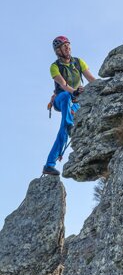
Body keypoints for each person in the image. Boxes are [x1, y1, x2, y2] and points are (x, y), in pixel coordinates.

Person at [43, 36, 96, 176]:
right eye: (63, 46)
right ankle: (68, 123)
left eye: (68, 45)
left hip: (75, 101)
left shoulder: (78, 62)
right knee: (66, 97)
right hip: (61, 99)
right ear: (58, 51)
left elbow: (91, 79)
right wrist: (75, 92)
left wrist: (102, 87)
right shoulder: (54, 67)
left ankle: (49, 165)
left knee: (64, 131)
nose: (67, 48)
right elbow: (63, 85)